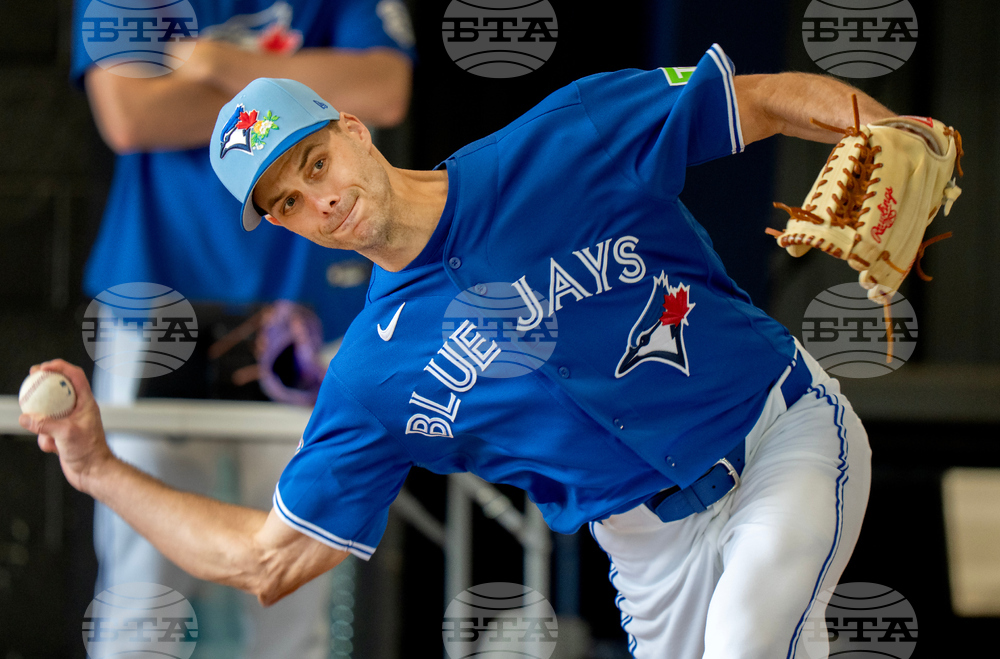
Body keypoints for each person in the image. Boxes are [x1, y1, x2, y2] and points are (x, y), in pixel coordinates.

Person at [30, 44, 883, 658]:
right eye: (289, 201)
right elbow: (267, 560)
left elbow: (760, 98)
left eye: (318, 161)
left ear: (355, 130)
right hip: (650, 548)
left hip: (780, 433)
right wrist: (97, 466)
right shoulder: (373, 375)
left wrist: (890, 132)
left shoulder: (563, 139)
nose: (320, 200)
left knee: (747, 637)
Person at [69, 1, 415, 656]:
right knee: (141, 600)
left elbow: (383, 91)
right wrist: (299, 98)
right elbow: (131, 115)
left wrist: (220, 66)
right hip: (156, 303)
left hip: (310, 311)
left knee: (297, 593)